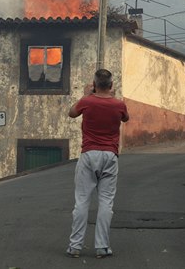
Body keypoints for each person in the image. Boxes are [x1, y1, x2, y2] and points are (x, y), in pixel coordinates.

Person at [66, 69, 129, 259]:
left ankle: (75, 246)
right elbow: (125, 118)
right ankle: (102, 246)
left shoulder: (87, 101)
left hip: (89, 153)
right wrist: (112, 96)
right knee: (106, 202)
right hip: (110, 155)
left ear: (94, 84)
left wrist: (86, 95)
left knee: (82, 201)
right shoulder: (119, 105)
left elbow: (71, 113)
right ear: (110, 85)